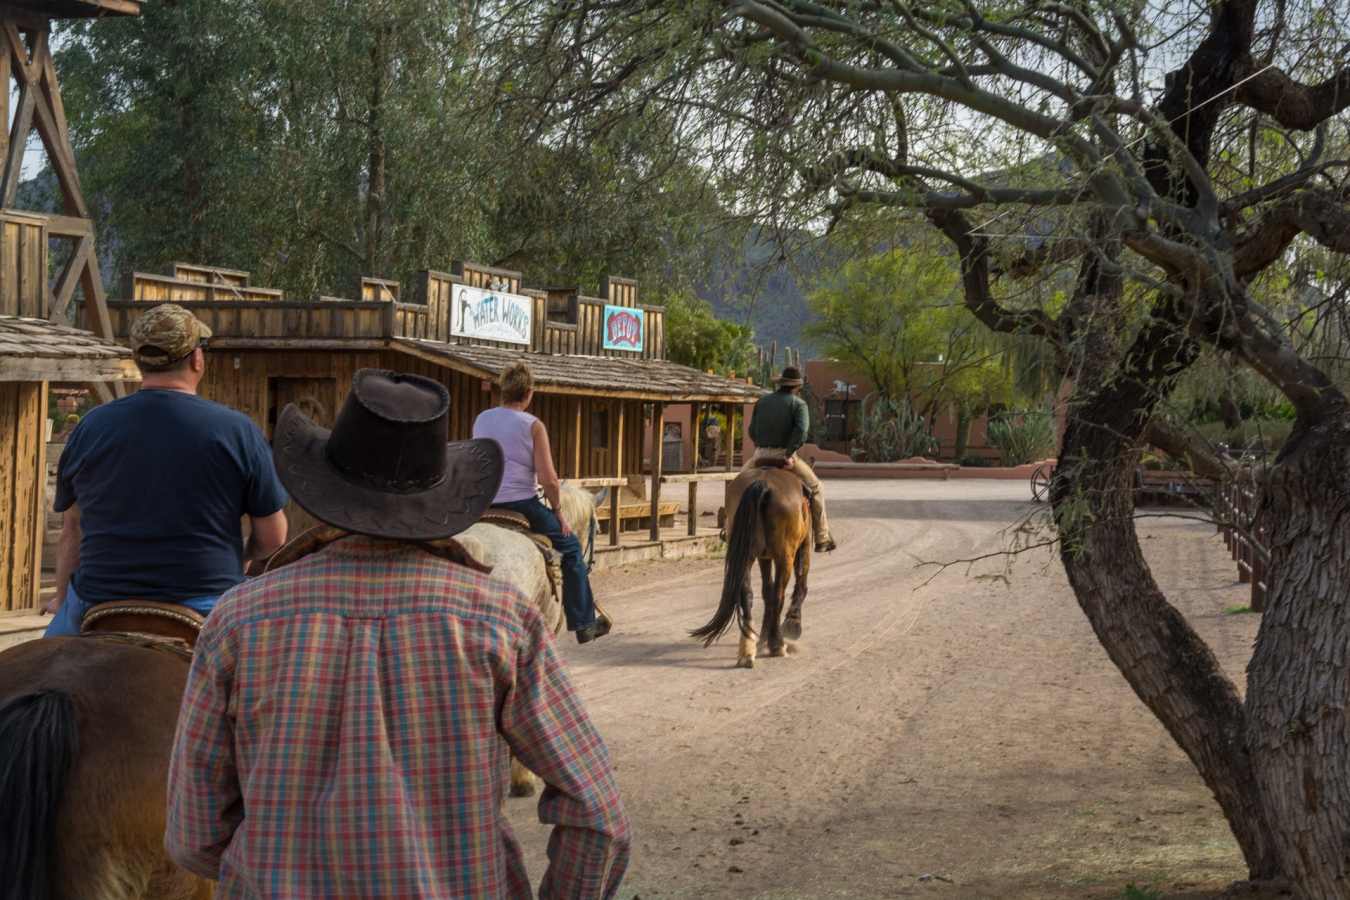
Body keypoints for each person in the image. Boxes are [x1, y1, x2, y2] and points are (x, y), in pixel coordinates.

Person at [166, 369, 631, 898]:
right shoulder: (503, 618)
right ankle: (583, 608)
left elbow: (193, 835)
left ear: (323, 484)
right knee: (569, 552)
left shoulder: (237, 620)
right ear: (440, 492)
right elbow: (600, 816)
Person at [43, 303, 289, 637]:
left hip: (97, 599)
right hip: (207, 601)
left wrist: (61, 599)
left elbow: (72, 530)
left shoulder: (91, 426)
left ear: (140, 362)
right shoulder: (238, 431)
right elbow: (273, 537)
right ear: (197, 359)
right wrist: (242, 555)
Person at [473, 361, 611, 643]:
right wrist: (559, 512)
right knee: (572, 550)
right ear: (529, 393)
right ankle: (584, 623)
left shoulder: (482, 419)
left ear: (502, 391)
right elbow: (549, 480)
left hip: (483, 504)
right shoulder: (533, 425)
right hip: (521, 504)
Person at [746, 365, 837, 552]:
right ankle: (822, 538)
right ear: (797, 387)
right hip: (784, 456)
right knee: (817, 488)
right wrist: (788, 453)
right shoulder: (798, 404)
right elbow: (802, 431)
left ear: (780, 384)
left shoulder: (762, 402)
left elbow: (752, 430)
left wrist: (761, 447)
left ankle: (728, 529)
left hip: (759, 455)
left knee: (736, 485)